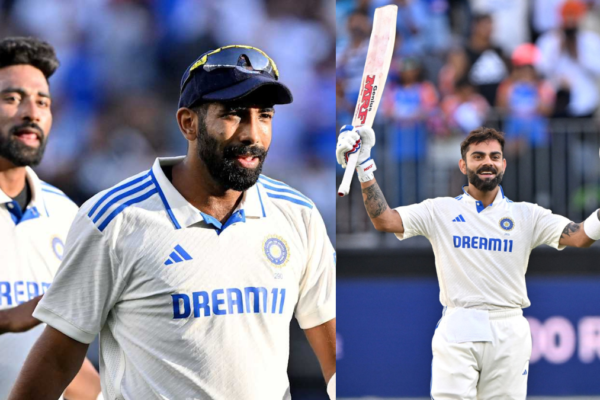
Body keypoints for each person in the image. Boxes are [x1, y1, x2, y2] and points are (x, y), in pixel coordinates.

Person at [10, 45, 336, 400]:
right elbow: (57, 360)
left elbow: (334, 349)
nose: (253, 134)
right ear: (188, 123)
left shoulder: (297, 214)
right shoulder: (114, 219)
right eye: (234, 114)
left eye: (265, 116)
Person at [335, 125, 600, 399]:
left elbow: (580, 236)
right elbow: (385, 220)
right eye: (478, 156)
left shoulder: (528, 215)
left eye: (494, 156)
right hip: (460, 322)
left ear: (504, 164)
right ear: (463, 165)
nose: (487, 162)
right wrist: (364, 165)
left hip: (509, 327)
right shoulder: (440, 210)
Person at [0, 36, 101, 400]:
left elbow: (62, 361)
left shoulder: (67, 215)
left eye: (42, 101)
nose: (32, 112)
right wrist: (6, 319)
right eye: (12, 98)